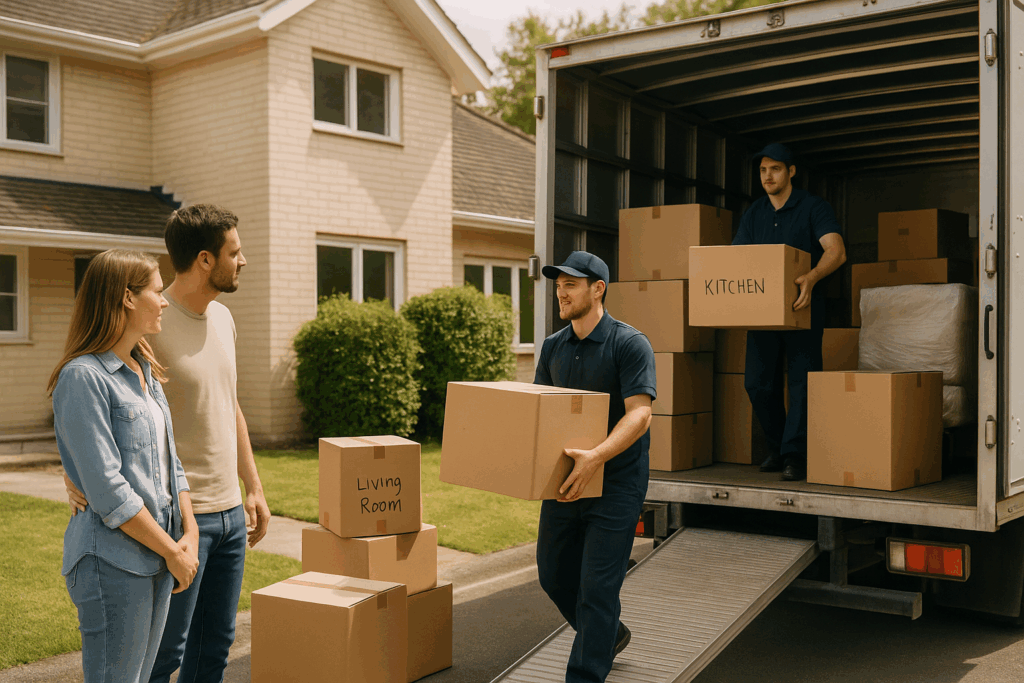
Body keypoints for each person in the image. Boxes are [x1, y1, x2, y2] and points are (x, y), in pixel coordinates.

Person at [66, 204, 270, 683]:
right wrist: (74, 474)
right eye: (234, 252)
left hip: (227, 515)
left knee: (214, 649)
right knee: (160, 656)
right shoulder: (147, 329)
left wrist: (253, 486)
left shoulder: (223, 319)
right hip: (176, 519)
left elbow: (230, 405)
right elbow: (96, 408)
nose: (243, 261)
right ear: (204, 259)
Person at [49, 249, 200, 683]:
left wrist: (187, 534)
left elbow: (174, 467)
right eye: (157, 290)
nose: (165, 300)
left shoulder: (145, 370)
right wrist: (173, 551)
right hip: (111, 562)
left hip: (157, 556)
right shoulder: (83, 377)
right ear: (127, 298)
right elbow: (108, 489)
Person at [534, 250, 656, 683]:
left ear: (597, 288)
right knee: (552, 574)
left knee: (597, 589)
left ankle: (585, 675)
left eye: (570, 284)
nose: (560, 293)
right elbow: (539, 415)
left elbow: (640, 414)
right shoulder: (553, 347)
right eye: (558, 285)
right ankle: (610, 634)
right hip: (567, 481)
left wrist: (597, 457)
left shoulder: (629, 343)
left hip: (616, 482)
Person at [732, 143, 847, 481]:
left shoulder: (813, 207)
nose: (768, 176)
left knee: (801, 385)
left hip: (803, 311)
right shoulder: (754, 213)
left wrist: (811, 277)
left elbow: (836, 252)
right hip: (763, 313)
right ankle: (778, 446)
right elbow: (737, 258)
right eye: (763, 170)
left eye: (776, 169)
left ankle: (795, 456)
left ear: (791, 172)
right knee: (757, 384)